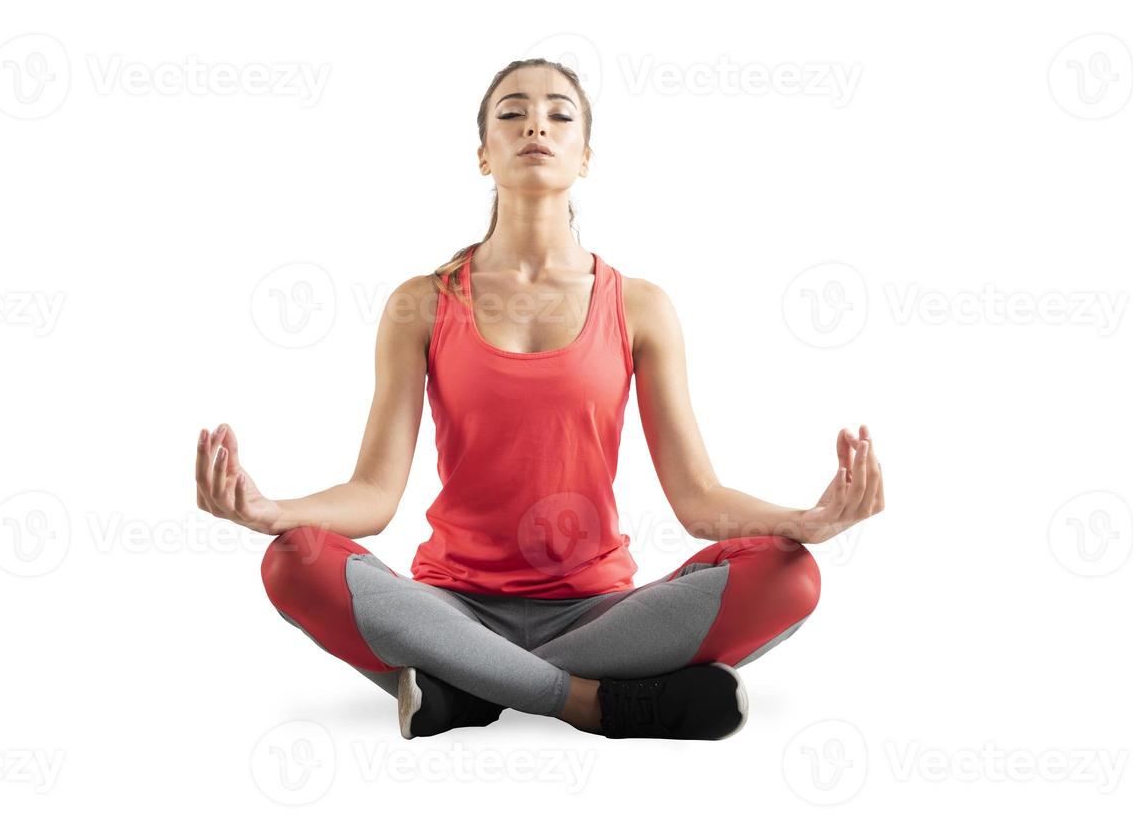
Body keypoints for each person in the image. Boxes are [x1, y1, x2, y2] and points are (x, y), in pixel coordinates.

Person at [194, 58, 885, 741]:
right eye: (512, 113)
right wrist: (273, 511)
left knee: (789, 576)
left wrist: (806, 518)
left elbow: (699, 498)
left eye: (560, 114)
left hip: (602, 616)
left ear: (585, 155)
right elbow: (374, 495)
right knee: (294, 560)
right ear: (482, 155)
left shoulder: (640, 307)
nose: (536, 126)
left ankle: (463, 690)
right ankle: (592, 702)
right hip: (448, 607)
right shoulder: (422, 304)